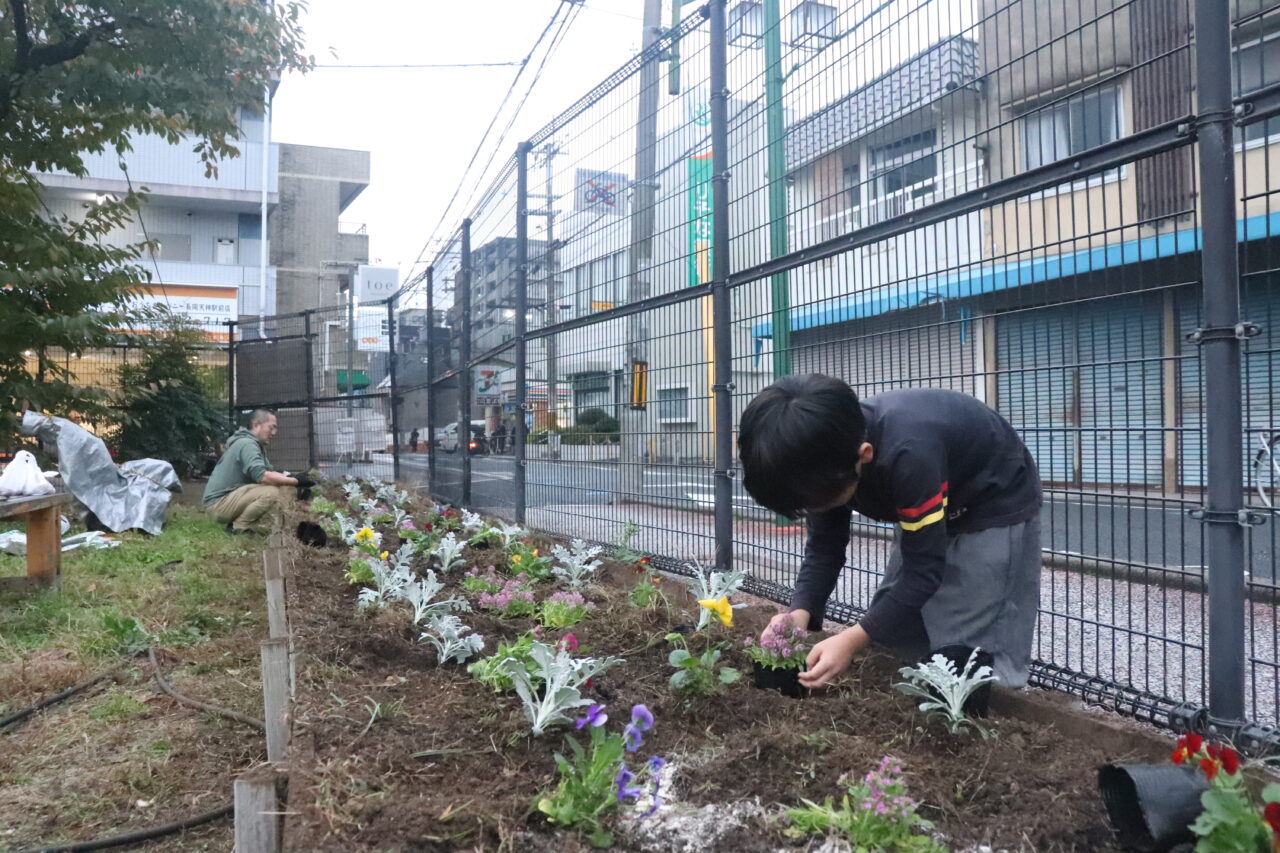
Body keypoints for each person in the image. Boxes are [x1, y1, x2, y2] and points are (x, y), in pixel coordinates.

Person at [737, 374, 1042, 693]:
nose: (815, 509)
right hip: (930, 492)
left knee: (966, 650)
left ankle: (990, 710)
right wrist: (800, 611)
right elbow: (825, 545)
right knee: (898, 633)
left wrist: (852, 639)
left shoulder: (907, 454)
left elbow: (924, 571)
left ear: (864, 455)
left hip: (990, 499)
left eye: (818, 503)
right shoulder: (825, 454)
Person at [203, 410, 311, 534]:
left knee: (274, 487)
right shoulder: (247, 445)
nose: (273, 433)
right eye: (271, 428)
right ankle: (239, 527)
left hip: (224, 502)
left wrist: (293, 477)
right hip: (218, 505)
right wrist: (295, 481)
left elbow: (270, 471)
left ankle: (241, 523)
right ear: (256, 425)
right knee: (271, 492)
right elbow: (262, 476)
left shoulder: (253, 444)